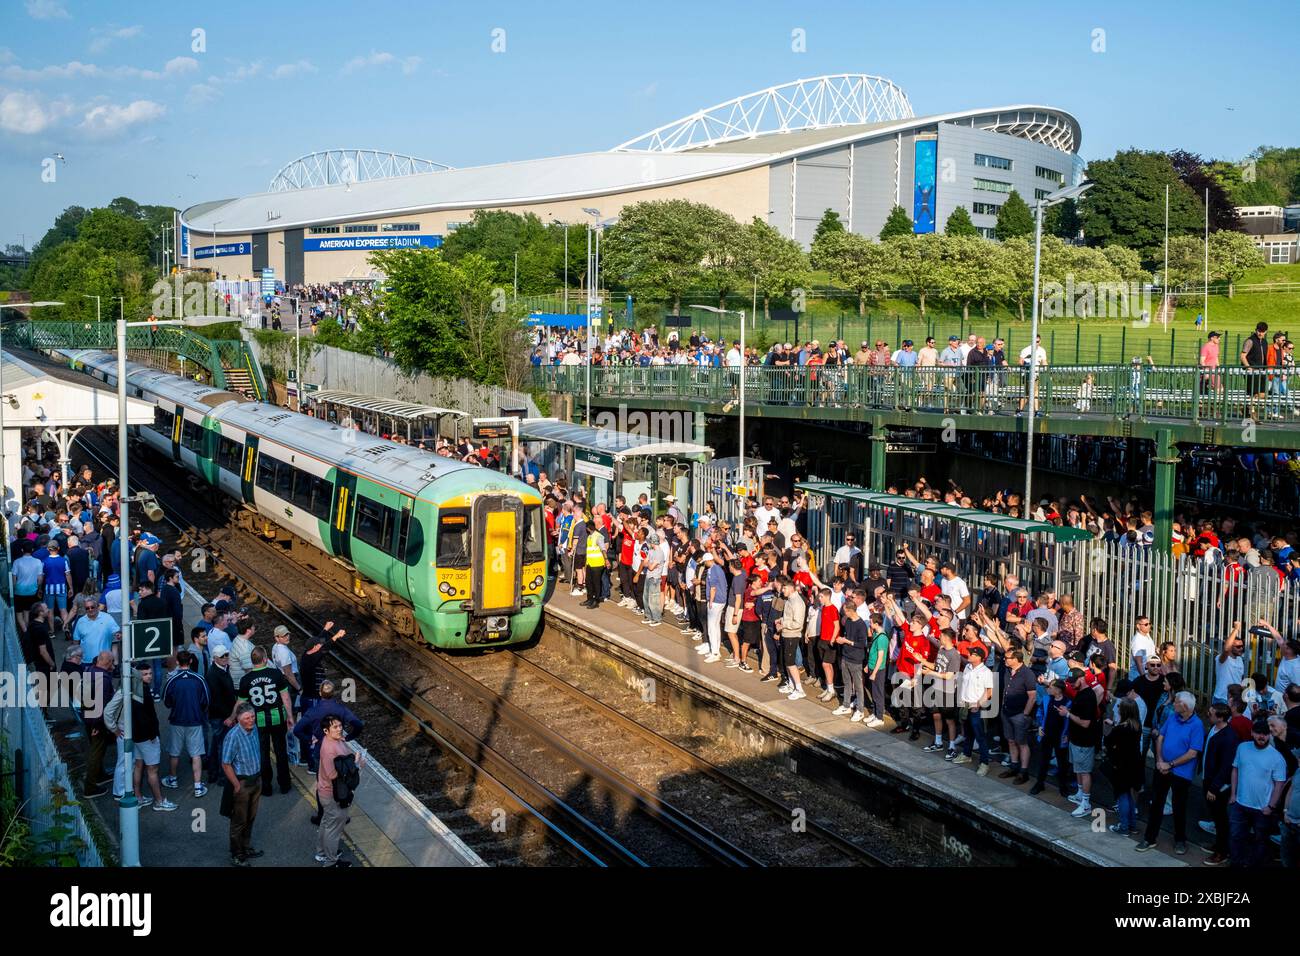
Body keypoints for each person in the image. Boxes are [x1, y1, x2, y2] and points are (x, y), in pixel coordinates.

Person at [1137, 690, 1204, 855]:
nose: (1173, 704)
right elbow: (1160, 737)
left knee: (1179, 807)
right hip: (1162, 768)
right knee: (1157, 803)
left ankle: (1180, 840)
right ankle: (1149, 838)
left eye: (1176, 702)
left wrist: (1170, 764)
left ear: (1185, 706)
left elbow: (1193, 753)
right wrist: (1160, 760)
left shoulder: (1197, 725)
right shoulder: (1173, 717)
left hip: (1181, 773)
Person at [105, 664, 176, 811]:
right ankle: (159, 801)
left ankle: (138, 797)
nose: (149, 676)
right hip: (145, 737)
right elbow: (145, 717)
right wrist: (115, 729)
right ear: (137, 676)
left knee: (137, 766)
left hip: (134, 735)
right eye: (145, 674)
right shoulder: (138, 692)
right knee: (152, 769)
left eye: (150, 673)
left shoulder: (134, 690)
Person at [1229, 718, 1288, 867]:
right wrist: (1233, 795)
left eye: (1265, 734)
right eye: (1258, 733)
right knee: (1236, 836)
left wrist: (1271, 807)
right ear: (1252, 733)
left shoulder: (1277, 758)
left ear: (1270, 735)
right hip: (1239, 804)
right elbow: (1235, 769)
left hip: (1262, 809)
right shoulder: (1242, 747)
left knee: (1260, 841)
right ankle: (1236, 864)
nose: (1261, 736)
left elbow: (1279, 785)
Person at [236, 645, 295, 796]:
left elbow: (241, 704)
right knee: (281, 752)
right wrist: (290, 716)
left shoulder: (246, 679)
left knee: (262, 754)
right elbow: (285, 697)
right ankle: (284, 784)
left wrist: (232, 718)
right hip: (277, 718)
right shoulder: (275, 674)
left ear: (252, 661)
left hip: (258, 721)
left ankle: (266, 787)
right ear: (265, 659)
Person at [315, 714, 363, 867]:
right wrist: (355, 766)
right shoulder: (329, 750)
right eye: (335, 727)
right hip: (333, 794)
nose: (340, 729)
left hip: (327, 792)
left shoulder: (336, 740)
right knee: (334, 828)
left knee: (327, 823)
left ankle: (322, 853)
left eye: (340, 726)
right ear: (326, 730)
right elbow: (332, 775)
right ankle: (330, 861)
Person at [161, 650, 210, 799]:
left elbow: (166, 701)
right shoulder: (199, 679)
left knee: (174, 751)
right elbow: (206, 701)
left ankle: (173, 778)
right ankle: (198, 786)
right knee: (196, 754)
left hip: (177, 720)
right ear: (190, 662)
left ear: (177, 662)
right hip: (195, 720)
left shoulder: (172, 680)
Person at [221, 703, 263, 866]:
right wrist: (237, 786)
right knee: (239, 821)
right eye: (247, 718)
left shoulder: (254, 729)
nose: (251, 720)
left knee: (251, 817)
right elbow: (226, 763)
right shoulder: (233, 736)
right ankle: (237, 854)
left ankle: (246, 847)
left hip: (256, 779)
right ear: (238, 719)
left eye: (252, 716)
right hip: (243, 783)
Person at [1201, 703, 1239, 866]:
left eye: (1210, 714)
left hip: (1217, 786)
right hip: (1207, 779)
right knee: (1216, 818)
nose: (1208, 716)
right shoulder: (1214, 729)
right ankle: (1218, 845)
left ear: (1221, 717)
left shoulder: (1229, 737)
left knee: (1221, 819)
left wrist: (1214, 788)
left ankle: (1222, 852)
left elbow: (1226, 766)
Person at [1062, 668, 1100, 817]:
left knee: (1084, 772)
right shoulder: (1080, 693)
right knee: (1077, 769)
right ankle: (1079, 794)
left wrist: (1067, 714)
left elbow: (1085, 723)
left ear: (1082, 678)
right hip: (1075, 739)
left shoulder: (1088, 696)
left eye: (1073, 682)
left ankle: (1086, 804)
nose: (1071, 685)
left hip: (1084, 741)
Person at [1103, 698, 1144, 835]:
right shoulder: (1137, 725)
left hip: (1121, 765)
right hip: (1135, 764)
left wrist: (1112, 727)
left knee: (1122, 795)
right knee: (1130, 796)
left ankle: (1124, 826)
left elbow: (1109, 741)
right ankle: (1132, 825)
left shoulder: (1120, 729)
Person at [954, 645, 994, 774]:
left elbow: (989, 692)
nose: (969, 655)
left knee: (980, 736)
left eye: (972, 654)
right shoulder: (967, 667)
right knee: (968, 733)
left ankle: (984, 763)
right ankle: (966, 754)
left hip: (977, 707)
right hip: (965, 705)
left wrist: (978, 704)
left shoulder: (986, 672)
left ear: (979, 658)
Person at [1000, 649, 1037, 784]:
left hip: (1019, 714)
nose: (1005, 660)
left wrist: (1025, 714)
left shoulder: (1027, 674)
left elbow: (1032, 696)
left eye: (1007, 658)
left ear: (1016, 659)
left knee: (1022, 743)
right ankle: (1014, 766)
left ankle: (1023, 771)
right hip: (1007, 711)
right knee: (1010, 740)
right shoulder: (1007, 671)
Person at [206, 643, 237, 785]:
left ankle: (213, 772)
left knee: (217, 744)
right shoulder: (213, 674)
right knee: (222, 746)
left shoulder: (223, 669)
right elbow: (217, 700)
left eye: (226, 655)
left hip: (222, 715)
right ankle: (222, 776)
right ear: (215, 658)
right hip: (220, 716)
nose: (225, 658)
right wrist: (230, 717)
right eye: (222, 656)